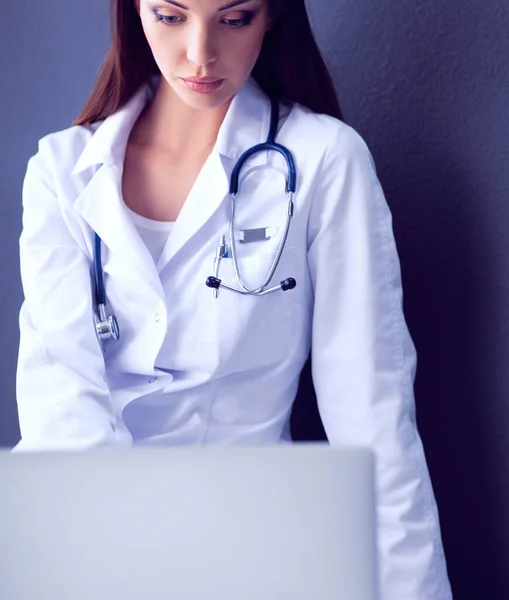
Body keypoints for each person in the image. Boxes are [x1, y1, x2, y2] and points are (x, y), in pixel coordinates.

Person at [14, 0, 453, 597]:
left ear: (271, 15)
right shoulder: (60, 171)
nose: (200, 53)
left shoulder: (323, 160)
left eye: (234, 18)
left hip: (250, 551)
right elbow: (60, 406)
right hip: (83, 546)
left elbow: (372, 415)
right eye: (170, 17)